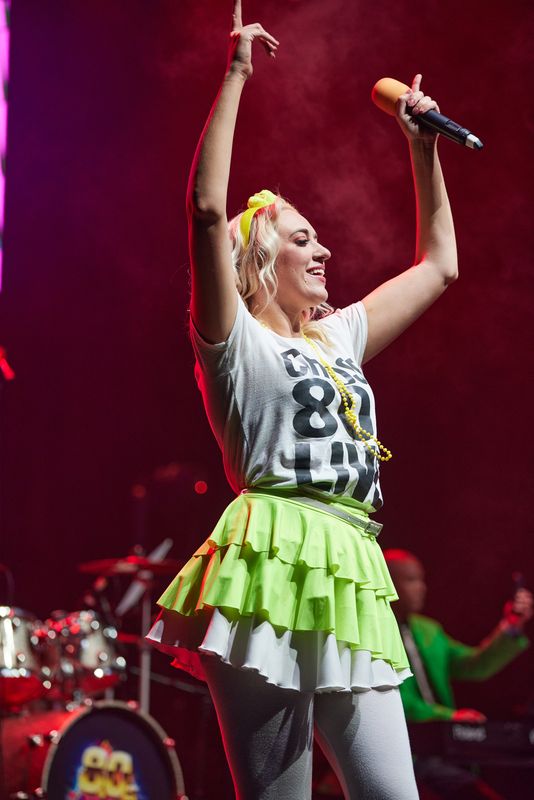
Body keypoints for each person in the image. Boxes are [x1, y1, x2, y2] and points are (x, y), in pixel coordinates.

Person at [148, 2, 459, 797]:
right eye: (301, 238)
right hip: (269, 555)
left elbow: (439, 267)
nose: (324, 250)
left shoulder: (339, 336)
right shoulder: (235, 343)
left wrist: (421, 150)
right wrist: (238, 74)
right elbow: (207, 210)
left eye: (319, 237)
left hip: (350, 562)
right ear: (258, 258)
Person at [384, 548, 532, 799]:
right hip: (401, 749)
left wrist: (511, 626)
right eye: (410, 580)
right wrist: (451, 716)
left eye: (421, 579)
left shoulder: (428, 629)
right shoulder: (374, 628)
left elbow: (473, 665)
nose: (421, 587)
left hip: (439, 747)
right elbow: (395, 697)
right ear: (387, 582)